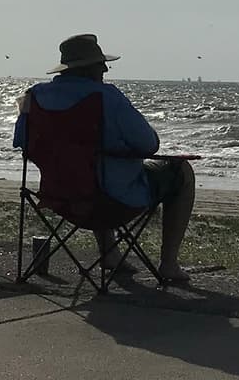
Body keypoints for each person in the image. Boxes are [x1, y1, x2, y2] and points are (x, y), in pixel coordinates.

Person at [13, 33, 196, 283]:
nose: (106, 70)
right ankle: (169, 264)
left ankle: (109, 253)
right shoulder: (106, 97)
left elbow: (22, 141)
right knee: (182, 171)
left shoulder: (33, 97)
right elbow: (149, 145)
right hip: (111, 202)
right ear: (89, 68)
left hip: (59, 198)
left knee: (90, 169)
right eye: (101, 64)